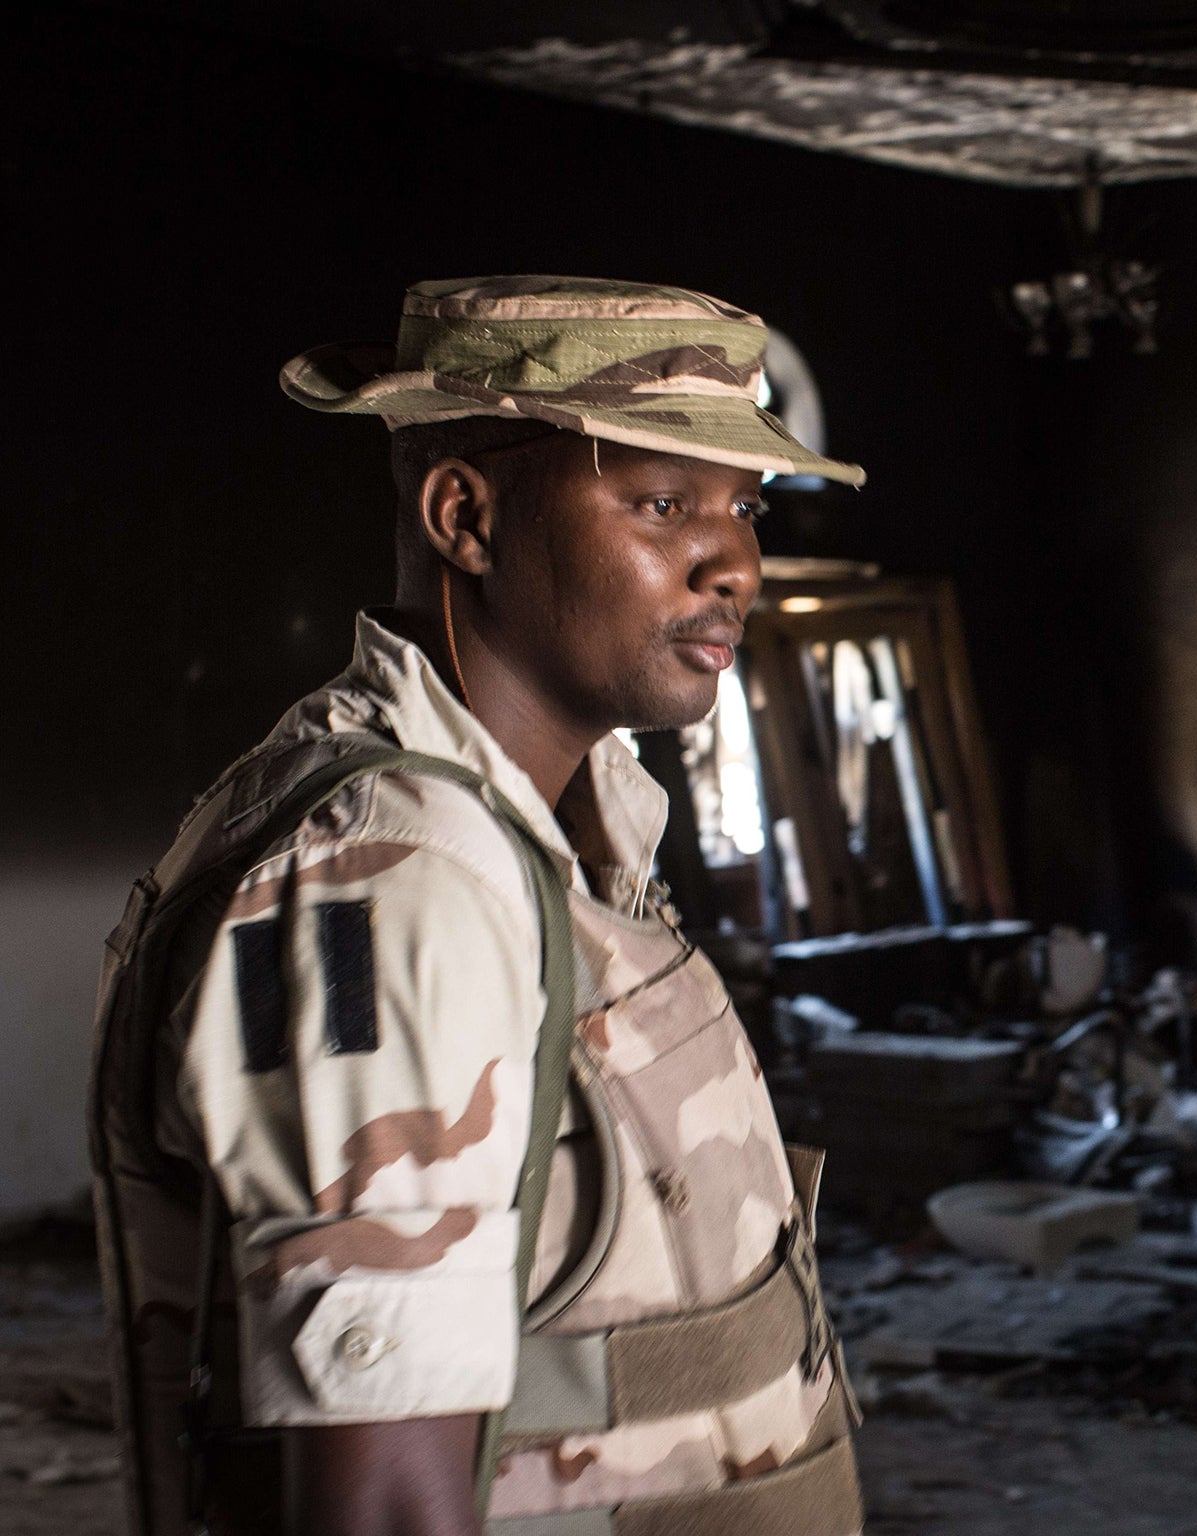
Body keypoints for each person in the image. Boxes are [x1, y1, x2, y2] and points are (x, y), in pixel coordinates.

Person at [88, 276, 869, 1536]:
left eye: (745, 506)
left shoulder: (555, 822)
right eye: (663, 502)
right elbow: (383, 1500)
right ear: (465, 515)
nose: (733, 561)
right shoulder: (398, 881)